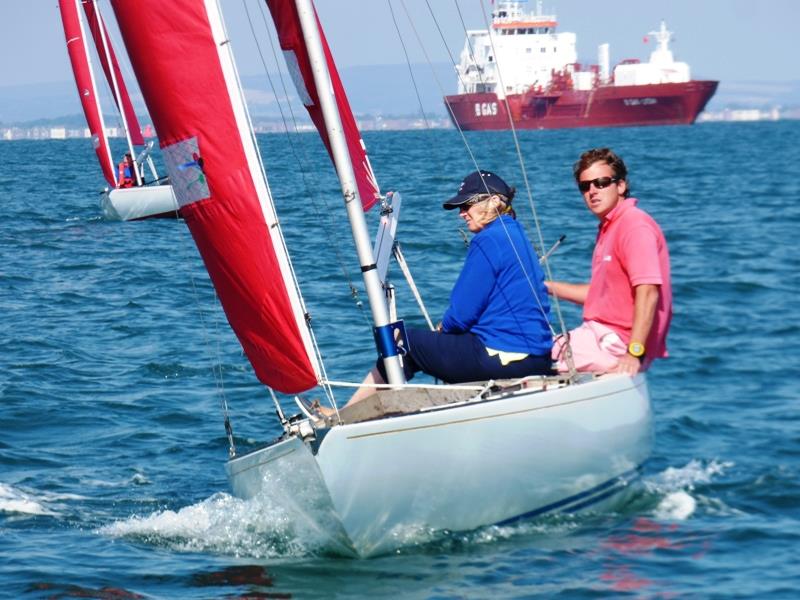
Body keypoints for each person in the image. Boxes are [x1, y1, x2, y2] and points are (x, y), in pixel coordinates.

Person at [341, 170, 553, 409]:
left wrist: (446, 327)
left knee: (405, 341)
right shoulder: (517, 233)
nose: (462, 213)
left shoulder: (489, 239)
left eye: (467, 205)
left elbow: (462, 314)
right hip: (538, 359)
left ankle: (348, 414)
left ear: (495, 201)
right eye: (460, 208)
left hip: (504, 359)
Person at [546, 148, 672, 375]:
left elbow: (649, 291)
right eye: (585, 186)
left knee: (525, 355)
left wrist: (634, 352)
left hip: (616, 344)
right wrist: (542, 287)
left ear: (621, 186)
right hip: (598, 335)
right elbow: (599, 295)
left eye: (602, 182)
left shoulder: (634, 225)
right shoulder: (609, 227)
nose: (592, 191)